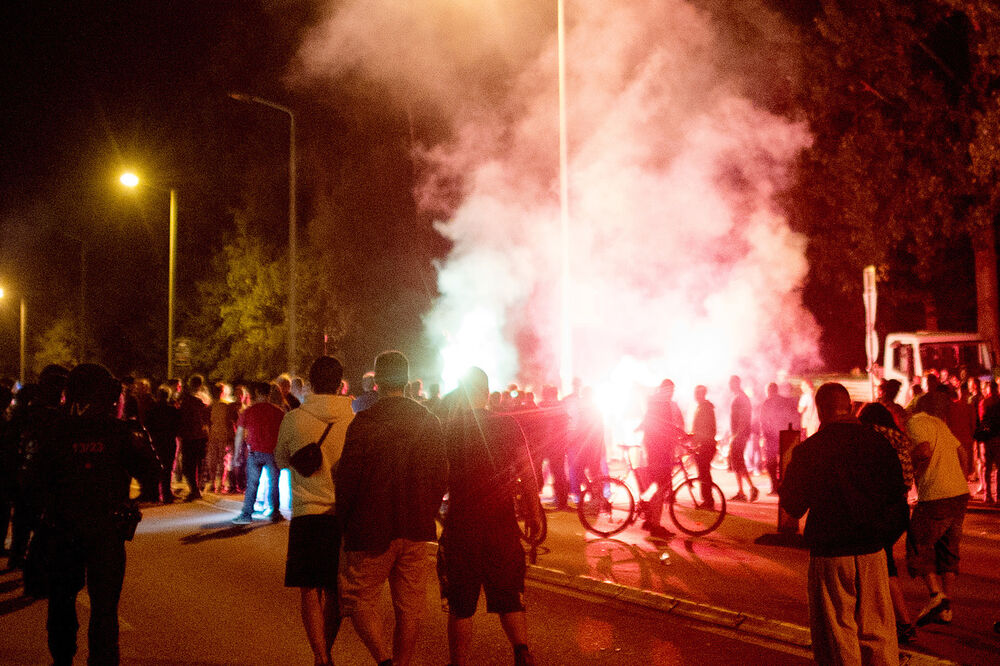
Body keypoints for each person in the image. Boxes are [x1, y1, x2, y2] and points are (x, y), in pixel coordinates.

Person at [28, 363, 160, 665]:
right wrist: (131, 500)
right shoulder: (120, 431)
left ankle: (62, 658)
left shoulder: (53, 430)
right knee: (104, 607)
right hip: (106, 530)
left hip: (62, 528)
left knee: (61, 600)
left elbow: (32, 481)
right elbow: (153, 474)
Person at [780, 383, 907, 666]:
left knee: (839, 635)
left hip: (831, 553)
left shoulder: (810, 450)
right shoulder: (877, 443)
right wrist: (881, 536)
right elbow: (897, 495)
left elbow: (792, 505)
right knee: (878, 632)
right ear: (850, 407)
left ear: (820, 411)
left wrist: (788, 467)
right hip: (873, 551)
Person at [335, 351, 446, 666]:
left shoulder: (365, 423)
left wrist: (341, 525)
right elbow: (441, 475)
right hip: (415, 528)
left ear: (377, 382)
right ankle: (401, 663)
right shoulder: (429, 420)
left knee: (357, 599)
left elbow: (348, 480)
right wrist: (427, 510)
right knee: (410, 607)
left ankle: (384, 660)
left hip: (371, 529)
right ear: (408, 381)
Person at [438, 367, 541, 666]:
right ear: (486, 391)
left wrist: (436, 513)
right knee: (509, 595)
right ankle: (522, 653)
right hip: (502, 525)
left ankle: (458, 663)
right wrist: (533, 513)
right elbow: (527, 472)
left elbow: (438, 477)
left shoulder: (451, 428)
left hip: (462, 525)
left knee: (461, 604)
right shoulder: (508, 425)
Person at [275, 357, 355, 666]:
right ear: (340, 383)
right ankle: (327, 649)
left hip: (307, 512)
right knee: (335, 590)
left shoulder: (294, 419)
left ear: (309, 382)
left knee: (309, 589)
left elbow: (282, 460)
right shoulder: (354, 417)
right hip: (342, 514)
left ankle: (321, 656)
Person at [905, 385, 971, 626]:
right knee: (948, 550)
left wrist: (911, 469)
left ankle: (936, 595)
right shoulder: (940, 425)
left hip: (936, 495)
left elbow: (923, 450)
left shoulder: (915, 423)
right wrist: (961, 480)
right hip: (958, 494)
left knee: (917, 543)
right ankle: (946, 607)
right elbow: (962, 452)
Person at [858, 402, 917, 644]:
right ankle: (884, 619)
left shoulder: (874, 438)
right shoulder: (899, 438)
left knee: (880, 563)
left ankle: (902, 623)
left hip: (884, 507)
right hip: (900, 508)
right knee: (881, 561)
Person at [636, 379, 685, 539]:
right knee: (661, 487)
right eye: (670, 390)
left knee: (656, 486)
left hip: (653, 449)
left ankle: (650, 520)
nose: (671, 393)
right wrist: (682, 437)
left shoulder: (653, 402)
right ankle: (655, 526)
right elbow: (667, 427)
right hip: (661, 451)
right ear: (666, 390)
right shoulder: (663, 405)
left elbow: (648, 423)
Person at [231, 382, 286, 524]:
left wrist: (236, 454)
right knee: (274, 484)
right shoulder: (278, 412)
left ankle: (246, 514)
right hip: (272, 452)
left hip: (254, 452)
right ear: (269, 393)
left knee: (252, 485)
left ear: (256, 393)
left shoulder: (248, 411)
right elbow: (284, 433)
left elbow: (239, 435)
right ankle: (275, 513)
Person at [758, 382, 800, 495]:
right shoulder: (785, 401)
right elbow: (793, 415)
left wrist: (763, 434)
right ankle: (784, 486)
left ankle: (775, 487)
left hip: (772, 436)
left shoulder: (767, 402)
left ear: (769, 391)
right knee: (784, 462)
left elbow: (763, 420)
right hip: (784, 435)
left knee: (770, 463)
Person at [177, 374, 211, 501]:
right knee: (200, 463)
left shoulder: (187, 400)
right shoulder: (205, 399)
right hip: (202, 435)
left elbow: (182, 417)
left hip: (190, 435)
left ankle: (194, 489)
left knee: (188, 465)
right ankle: (198, 488)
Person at [144, 384, 181, 504]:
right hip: (169, 440)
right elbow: (178, 425)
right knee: (168, 467)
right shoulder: (172, 410)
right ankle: (166, 493)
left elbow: (147, 424)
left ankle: (155, 494)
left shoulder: (152, 409)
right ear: (168, 396)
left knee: (156, 466)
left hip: (156, 440)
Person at [728, 376, 758, 502]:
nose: (729, 385)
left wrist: (737, 435)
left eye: (730, 383)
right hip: (739, 434)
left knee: (738, 461)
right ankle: (742, 491)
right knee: (737, 461)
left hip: (740, 435)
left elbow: (743, 418)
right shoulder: (740, 397)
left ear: (735, 383)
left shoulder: (740, 398)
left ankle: (750, 488)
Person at [205, 383, 237, 494]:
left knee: (216, 461)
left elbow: (208, 423)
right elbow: (231, 422)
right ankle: (217, 483)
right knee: (219, 461)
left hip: (217, 436)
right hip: (219, 436)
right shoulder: (224, 406)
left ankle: (216, 483)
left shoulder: (214, 406)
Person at [691, 385, 717, 508]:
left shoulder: (705, 408)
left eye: (697, 393)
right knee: (704, 472)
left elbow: (707, 429)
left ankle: (708, 500)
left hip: (705, 445)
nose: (695, 395)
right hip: (704, 444)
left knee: (704, 472)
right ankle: (707, 499)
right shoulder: (703, 407)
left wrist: (696, 438)